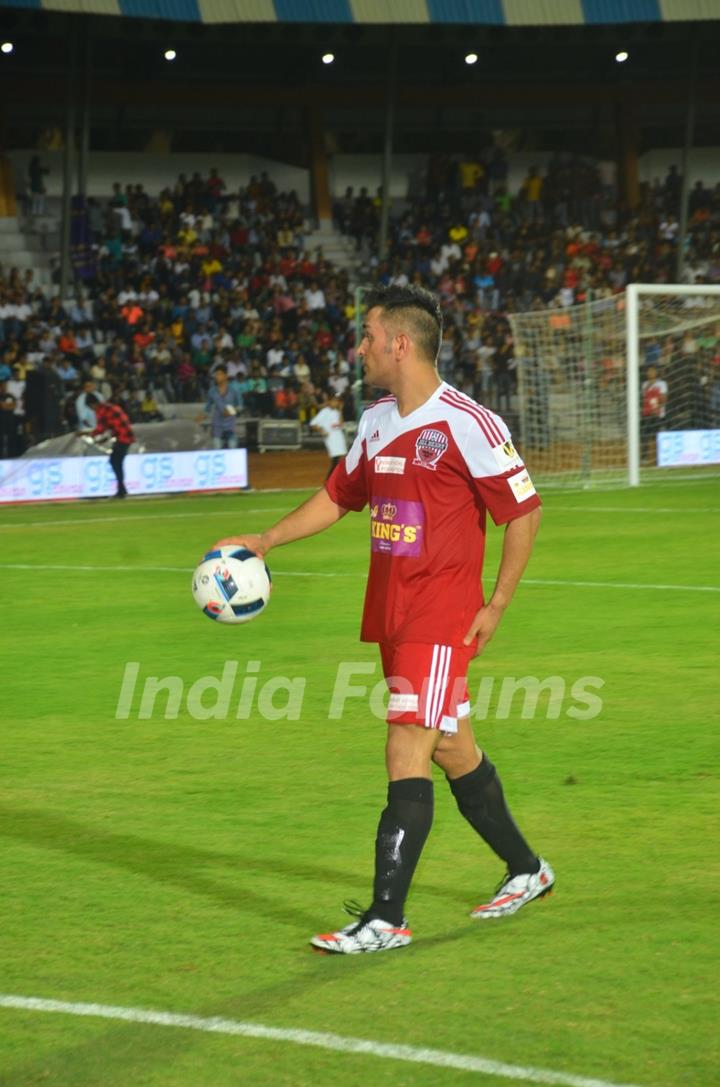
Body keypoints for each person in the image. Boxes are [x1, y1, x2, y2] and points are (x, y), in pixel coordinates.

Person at [215, 284, 553, 954]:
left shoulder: (466, 422)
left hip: (441, 616)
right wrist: (268, 539)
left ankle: (385, 917)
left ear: (400, 342)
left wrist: (496, 604)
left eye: (368, 335)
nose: (360, 346)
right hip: (392, 616)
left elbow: (525, 509)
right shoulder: (375, 421)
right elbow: (338, 496)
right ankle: (527, 869)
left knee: (406, 748)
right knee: (454, 748)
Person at [78, 393, 134, 498]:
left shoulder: (102, 410)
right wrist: (105, 439)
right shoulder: (109, 407)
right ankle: (121, 489)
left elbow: (101, 429)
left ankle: (121, 490)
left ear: (92, 404)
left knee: (115, 461)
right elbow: (113, 426)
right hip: (125, 436)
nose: (92, 410)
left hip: (123, 438)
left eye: (91, 407)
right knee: (116, 462)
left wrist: (85, 433)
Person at [198, 366, 243, 449]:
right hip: (217, 426)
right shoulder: (212, 391)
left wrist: (231, 411)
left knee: (232, 450)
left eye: (219, 374)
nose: (217, 377)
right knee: (217, 451)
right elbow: (207, 408)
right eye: (216, 375)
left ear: (225, 375)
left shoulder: (234, 389)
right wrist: (201, 417)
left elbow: (240, 406)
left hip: (230, 426)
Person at [310, 391, 348, 478]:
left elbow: (341, 424)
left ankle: (333, 479)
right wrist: (321, 430)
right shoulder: (325, 411)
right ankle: (330, 480)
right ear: (330, 401)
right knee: (337, 458)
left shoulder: (337, 412)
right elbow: (313, 424)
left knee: (341, 459)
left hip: (338, 437)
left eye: (338, 401)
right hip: (331, 438)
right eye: (335, 400)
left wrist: (340, 410)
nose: (336, 403)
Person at [640, 365, 668, 465]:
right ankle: (644, 457)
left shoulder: (662, 384)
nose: (650, 373)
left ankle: (661, 457)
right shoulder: (644, 384)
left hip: (658, 415)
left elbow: (664, 399)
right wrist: (649, 385)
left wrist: (657, 409)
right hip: (647, 414)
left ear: (656, 372)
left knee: (658, 436)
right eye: (648, 371)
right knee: (644, 436)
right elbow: (644, 398)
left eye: (652, 371)